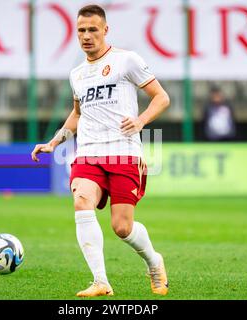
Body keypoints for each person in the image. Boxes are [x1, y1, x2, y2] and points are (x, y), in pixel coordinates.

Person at [31, 5, 170, 297]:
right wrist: (54, 142)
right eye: (81, 30)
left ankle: (153, 260)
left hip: (123, 153)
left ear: (105, 30)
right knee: (82, 201)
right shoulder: (77, 74)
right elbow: (77, 115)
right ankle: (100, 281)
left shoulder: (126, 60)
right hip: (89, 153)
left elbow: (161, 97)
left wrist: (141, 120)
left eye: (93, 29)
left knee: (122, 228)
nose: (86, 36)